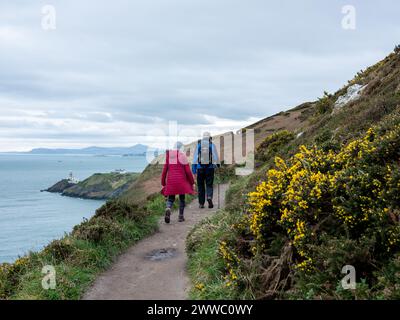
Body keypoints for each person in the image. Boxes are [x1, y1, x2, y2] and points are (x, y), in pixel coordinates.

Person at [161, 142, 195, 223]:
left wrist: (163, 183)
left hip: (171, 182)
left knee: (171, 198)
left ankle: (168, 208)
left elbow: (164, 171)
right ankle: (180, 216)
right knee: (182, 198)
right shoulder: (182, 156)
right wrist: (192, 182)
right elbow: (188, 171)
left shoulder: (169, 156)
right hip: (181, 182)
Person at [192, 132, 220, 209]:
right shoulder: (211, 145)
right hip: (210, 168)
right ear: (209, 137)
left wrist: (194, 171)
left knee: (200, 186)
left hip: (200, 168)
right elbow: (215, 156)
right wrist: (218, 165)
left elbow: (194, 159)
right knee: (209, 184)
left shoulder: (199, 144)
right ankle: (209, 197)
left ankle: (201, 203)